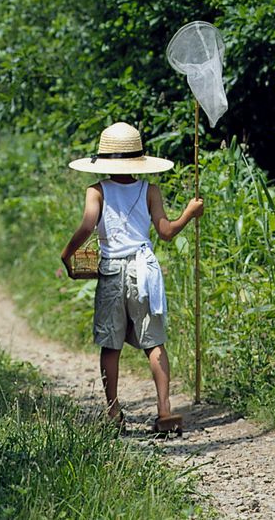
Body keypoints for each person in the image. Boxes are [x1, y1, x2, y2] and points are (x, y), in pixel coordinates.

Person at [60, 122, 203, 434]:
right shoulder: (149, 190)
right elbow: (165, 233)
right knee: (154, 342)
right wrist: (189, 213)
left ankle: (113, 413)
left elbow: (87, 227)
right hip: (143, 270)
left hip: (111, 270)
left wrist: (67, 254)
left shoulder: (96, 191)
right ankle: (165, 413)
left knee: (111, 345)